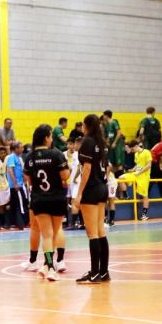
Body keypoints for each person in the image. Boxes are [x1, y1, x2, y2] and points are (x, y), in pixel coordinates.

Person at [24, 124, 68, 279]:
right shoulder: (57, 154)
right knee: (54, 233)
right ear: (46, 138)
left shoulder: (30, 157)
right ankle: (51, 267)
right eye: (50, 136)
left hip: (39, 199)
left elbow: (29, 181)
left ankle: (46, 265)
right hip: (56, 199)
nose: (51, 139)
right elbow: (65, 176)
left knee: (47, 235)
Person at [73, 114, 113, 284]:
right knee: (100, 231)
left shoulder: (88, 142)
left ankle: (95, 273)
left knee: (92, 233)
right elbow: (107, 167)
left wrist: (79, 193)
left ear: (86, 126)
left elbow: (87, 169)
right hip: (102, 188)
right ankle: (104, 272)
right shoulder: (101, 142)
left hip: (91, 189)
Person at [6, 141, 28, 229]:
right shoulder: (12, 157)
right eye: (21, 147)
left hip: (20, 184)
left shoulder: (19, 158)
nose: (22, 149)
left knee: (16, 204)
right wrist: (15, 183)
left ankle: (14, 223)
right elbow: (10, 170)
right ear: (15, 149)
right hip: (16, 186)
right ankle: (22, 223)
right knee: (20, 204)